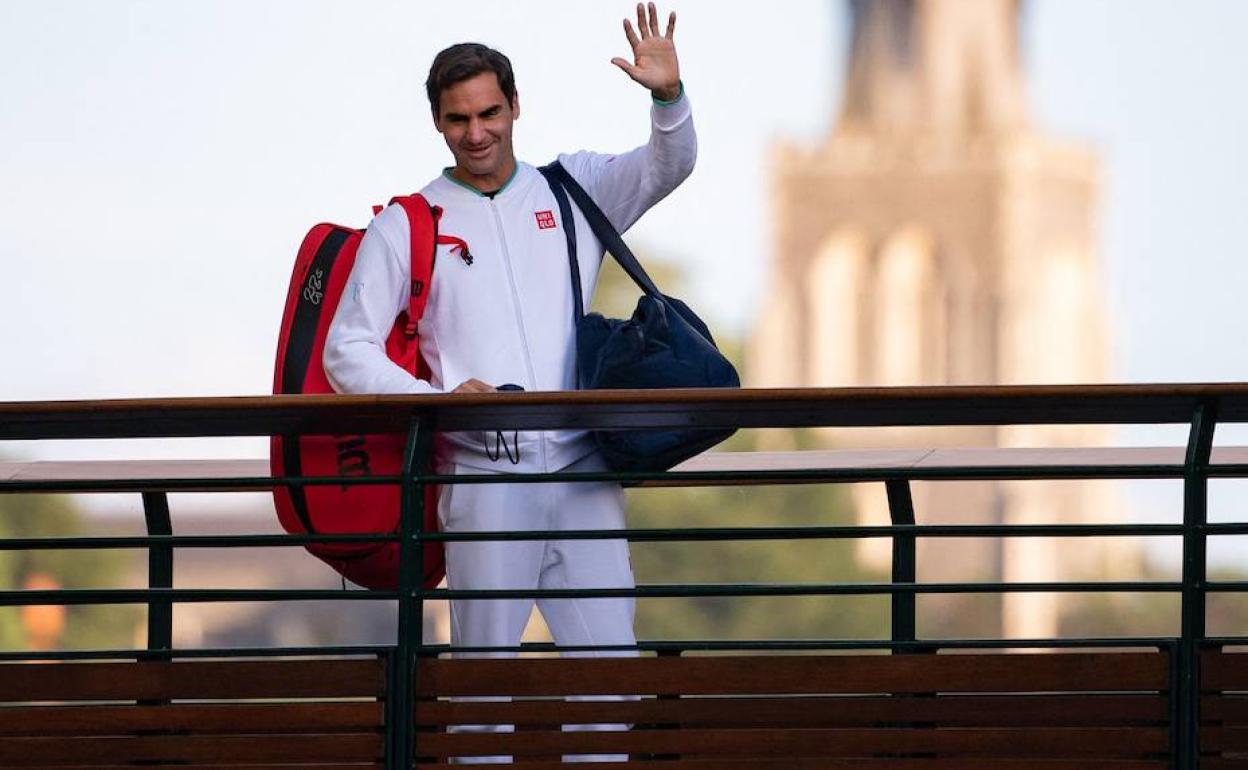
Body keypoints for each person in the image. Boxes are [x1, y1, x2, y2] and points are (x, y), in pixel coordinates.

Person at [324, 3, 694, 761]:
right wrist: (434, 402)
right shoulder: (409, 221)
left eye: (490, 111)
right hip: (485, 478)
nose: (478, 132)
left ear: (515, 106)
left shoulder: (572, 190)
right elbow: (346, 349)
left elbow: (670, 165)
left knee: (610, 679)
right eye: (459, 118)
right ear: (437, 121)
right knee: (483, 691)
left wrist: (668, 98)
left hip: (585, 470)